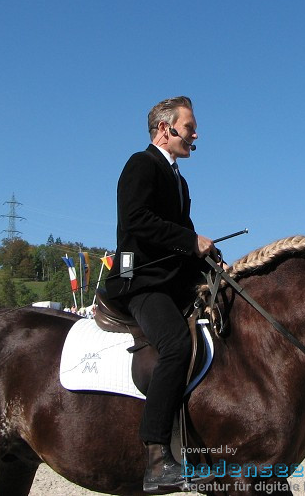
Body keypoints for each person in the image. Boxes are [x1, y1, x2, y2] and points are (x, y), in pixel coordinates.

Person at [105, 95, 218, 493]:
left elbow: (184, 242)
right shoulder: (140, 164)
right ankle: (156, 456)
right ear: (165, 130)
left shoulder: (179, 179)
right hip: (140, 281)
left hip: (171, 280)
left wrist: (212, 263)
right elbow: (137, 222)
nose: (195, 134)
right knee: (175, 345)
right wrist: (191, 240)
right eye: (189, 128)